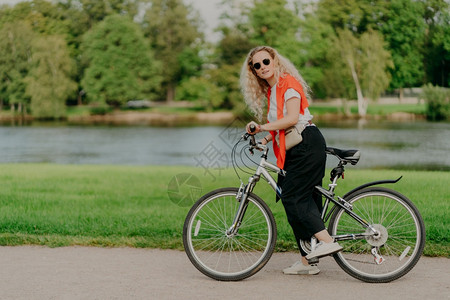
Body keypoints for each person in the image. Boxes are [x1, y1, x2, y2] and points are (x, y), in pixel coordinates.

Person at [240, 46, 342, 275]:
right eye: (257, 65)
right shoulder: (272, 91)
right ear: (254, 72)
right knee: (300, 203)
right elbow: (282, 125)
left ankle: (327, 242)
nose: (262, 67)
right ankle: (308, 262)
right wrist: (265, 138)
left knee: (293, 198)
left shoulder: (289, 84)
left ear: (274, 60)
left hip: (307, 145)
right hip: (295, 149)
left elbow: (293, 118)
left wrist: (263, 126)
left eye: (265, 61)